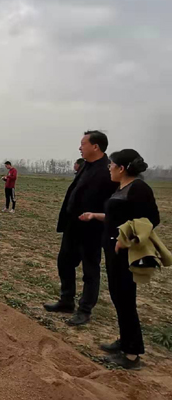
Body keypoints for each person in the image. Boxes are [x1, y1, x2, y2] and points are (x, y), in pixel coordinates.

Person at [79, 150, 160, 369]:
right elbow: (118, 216)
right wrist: (95, 215)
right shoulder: (122, 187)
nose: (109, 168)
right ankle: (125, 341)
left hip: (126, 254)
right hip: (113, 252)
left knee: (125, 299)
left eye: (111, 165)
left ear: (121, 168)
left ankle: (132, 355)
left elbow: (151, 220)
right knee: (119, 297)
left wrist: (127, 239)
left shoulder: (139, 188)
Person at [44, 131, 118, 326]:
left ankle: (85, 310)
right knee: (64, 262)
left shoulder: (108, 171)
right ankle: (66, 300)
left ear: (95, 146)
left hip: (92, 230)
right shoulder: (86, 165)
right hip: (73, 226)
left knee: (90, 270)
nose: (79, 147)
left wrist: (98, 218)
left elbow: (113, 204)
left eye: (83, 144)